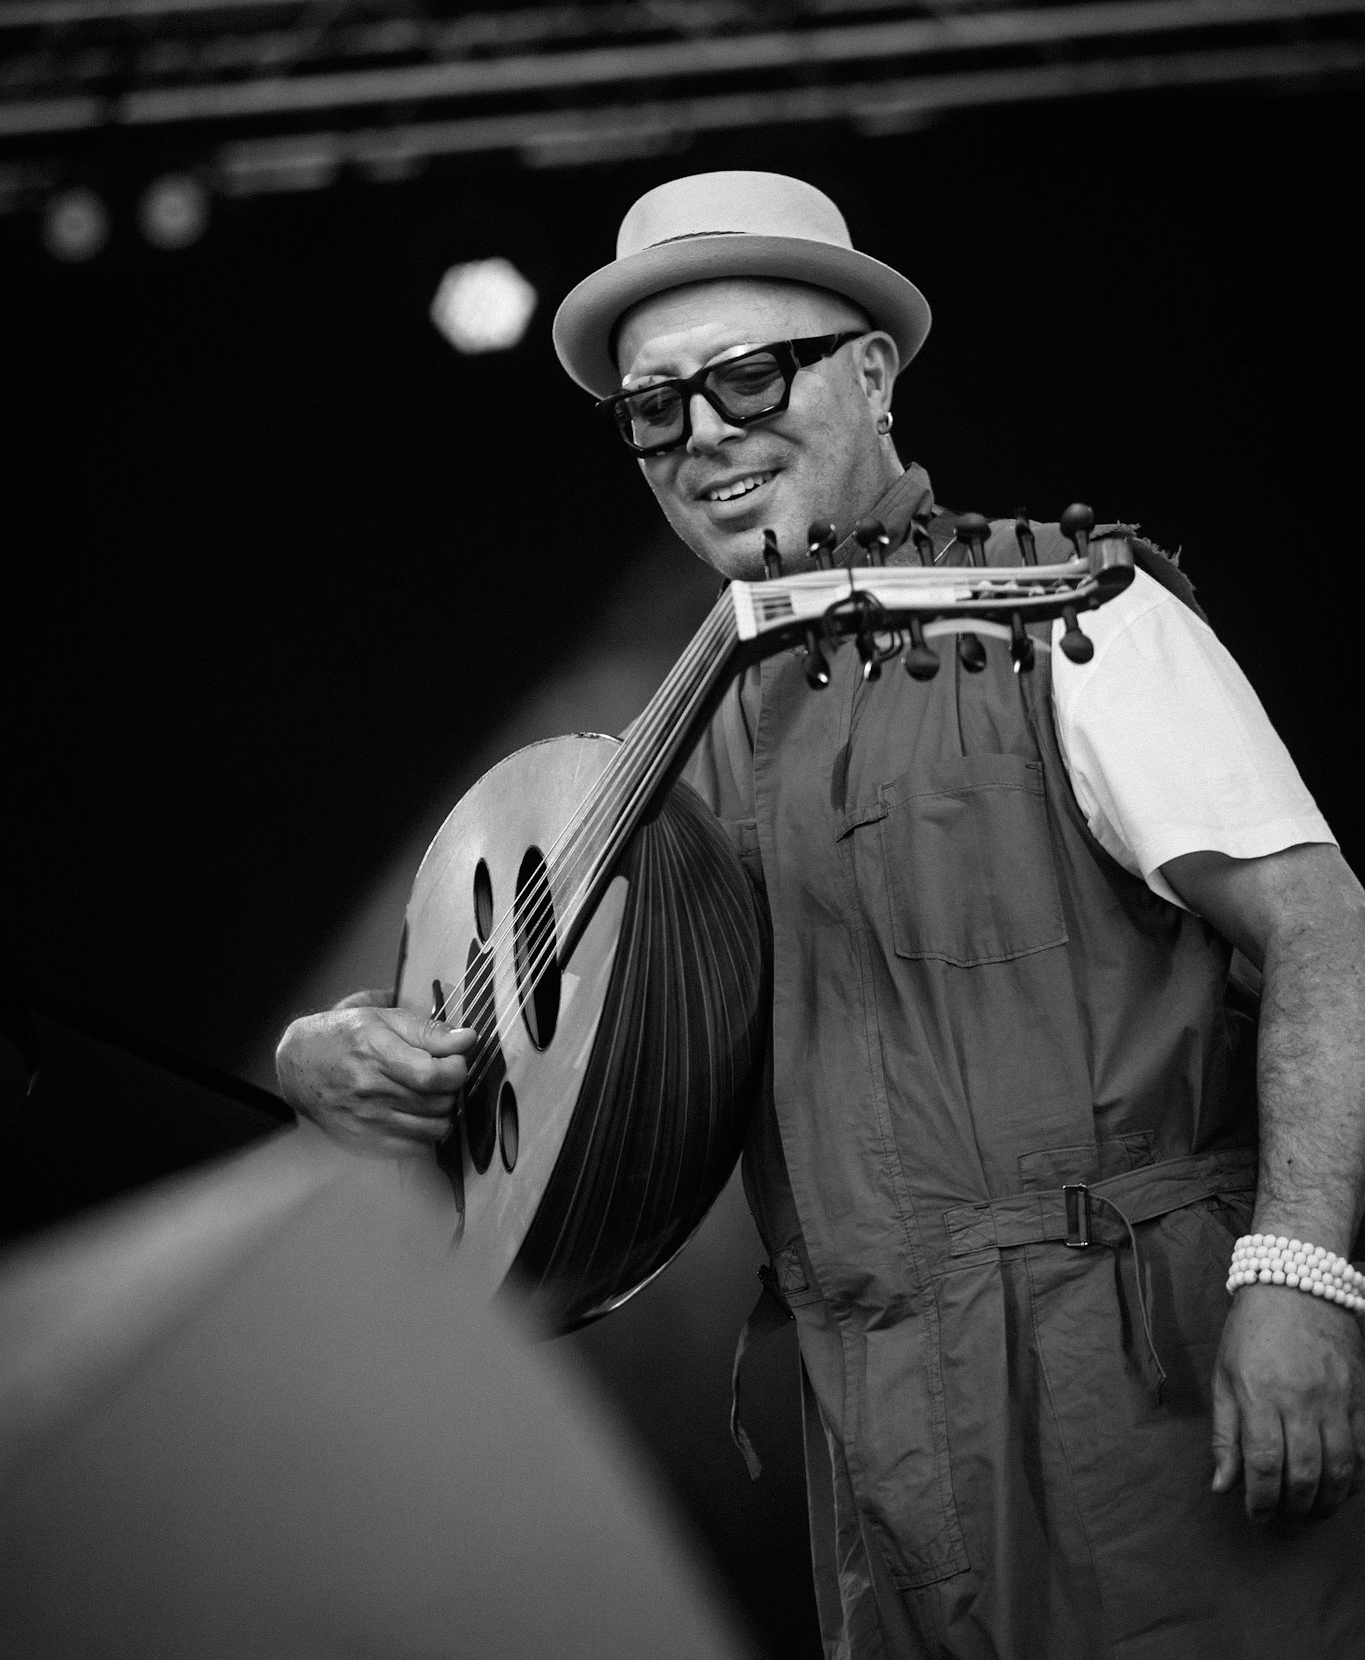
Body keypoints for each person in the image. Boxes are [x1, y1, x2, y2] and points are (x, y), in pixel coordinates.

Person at [276, 171, 1365, 1658]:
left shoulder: (1072, 613)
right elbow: (524, 1088)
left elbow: (1325, 931)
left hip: (1150, 1386)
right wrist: (342, 1059)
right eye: (655, 408)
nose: (704, 434)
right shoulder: (680, 756)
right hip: (872, 1434)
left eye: (747, 375)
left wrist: (1300, 1274)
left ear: (870, 373)